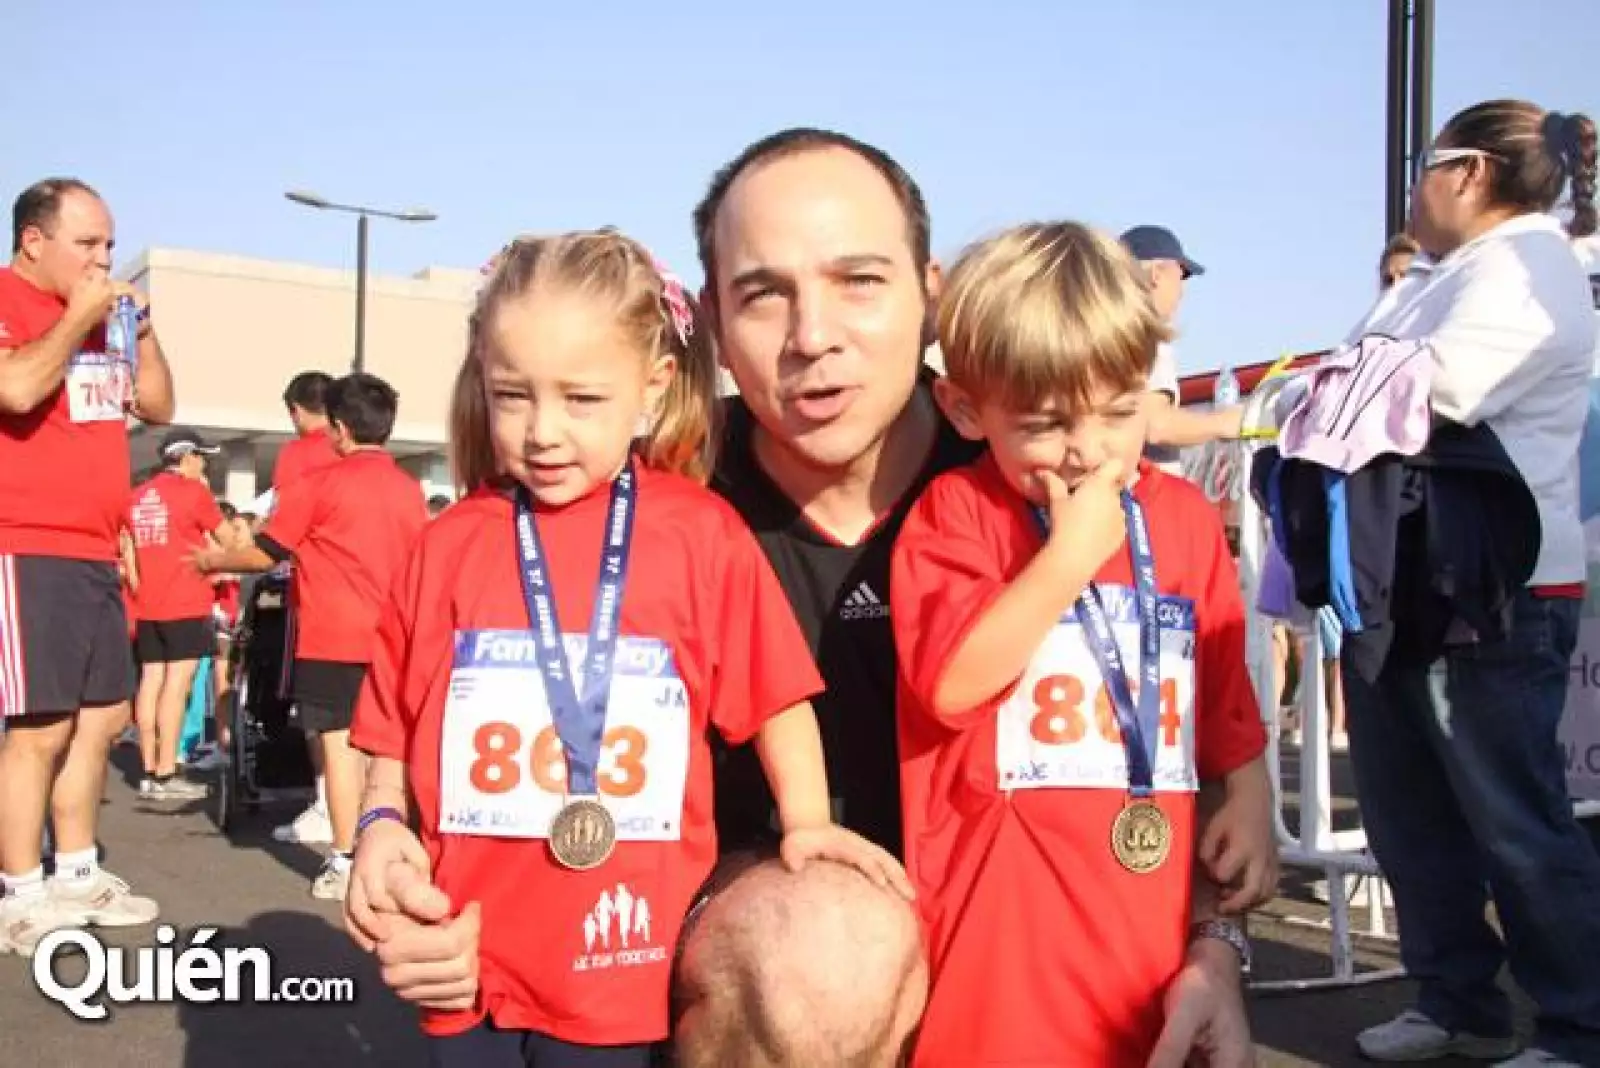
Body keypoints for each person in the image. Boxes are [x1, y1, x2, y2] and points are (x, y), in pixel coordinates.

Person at [357, 130, 1278, 1063]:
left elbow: (1170, 741)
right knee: (829, 949)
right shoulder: (634, 497)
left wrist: (1217, 950)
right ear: (710, 316)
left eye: (859, 282)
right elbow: (447, 694)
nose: (813, 336)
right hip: (704, 941)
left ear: (931, 296)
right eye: (764, 293)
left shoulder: (1050, 473)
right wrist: (398, 845)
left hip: (1029, 961)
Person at [344, 229, 907, 1065]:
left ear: (651, 387)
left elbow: (776, 696)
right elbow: (393, 729)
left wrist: (810, 824)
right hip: (465, 956)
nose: (541, 431)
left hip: (621, 965)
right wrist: (381, 822)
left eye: (581, 399)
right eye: (511, 396)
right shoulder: (449, 544)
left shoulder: (700, 535)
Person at [891, 221, 1260, 1066]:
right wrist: (1067, 559)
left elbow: (1221, 686)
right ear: (964, 409)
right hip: (1003, 937)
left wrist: (1249, 797)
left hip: (1149, 918)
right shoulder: (958, 514)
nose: (1090, 448)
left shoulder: (1185, 521)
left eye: (1122, 411)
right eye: (1049, 422)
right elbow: (949, 684)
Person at [1333, 101, 1600, 1067]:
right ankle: (1456, 998)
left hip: (1495, 589)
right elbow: (1334, 382)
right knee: (1409, 813)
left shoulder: (1536, 271)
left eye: (1424, 165)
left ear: (1470, 172)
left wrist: (1340, 386)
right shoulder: (1435, 277)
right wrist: (1336, 385)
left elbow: (1421, 396)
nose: (1414, 186)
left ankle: (1577, 1026)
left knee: (1514, 821)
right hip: (1400, 580)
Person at [0, 177, 172, 955]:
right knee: (39, 729)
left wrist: (143, 326)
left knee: (102, 720)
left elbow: (160, 405)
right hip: (26, 542)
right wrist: (77, 319)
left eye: (108, 243)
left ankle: (76, 873)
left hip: (95, 548)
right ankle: (20, 894)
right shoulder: (11, 302)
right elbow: (17, 387)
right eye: (88, 244)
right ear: (34, 241)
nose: (103, 259)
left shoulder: (105, 318)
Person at [194, 372, 429, 901]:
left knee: (340, 747)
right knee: (387, 748)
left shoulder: (321, 484)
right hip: (395, 637)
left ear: (339, 429)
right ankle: (387, 849)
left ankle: (346, 858)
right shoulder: (409, 491)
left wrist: (214, 560)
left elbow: (266, 552)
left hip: (332, 636)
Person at [126, 429, 231, 800]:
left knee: (151, 680)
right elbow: (228, 538)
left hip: (149, 602)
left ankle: (149, 766)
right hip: (185, 599)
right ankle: (168, 771)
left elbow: (129, 553)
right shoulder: (193, 493)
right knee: (177, 684)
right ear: (186, 456)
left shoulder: (137, 496)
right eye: (201, 456)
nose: (204, 464)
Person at [267, 369, 341, 847]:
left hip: (316, 597)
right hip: (378, 602)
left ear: (296, 410)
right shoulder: (356, 453)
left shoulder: (297, 456)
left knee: (321, 715)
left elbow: (280, 530)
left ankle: (326, 804)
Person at [1120, 225, 1245, 469]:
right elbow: (1156, 425)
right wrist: (1223, 423)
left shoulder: (1100, 338)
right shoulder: (1146, 337)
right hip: (1145, 498)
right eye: (1182, 274)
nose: (1182, 289)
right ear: (1156, 273)